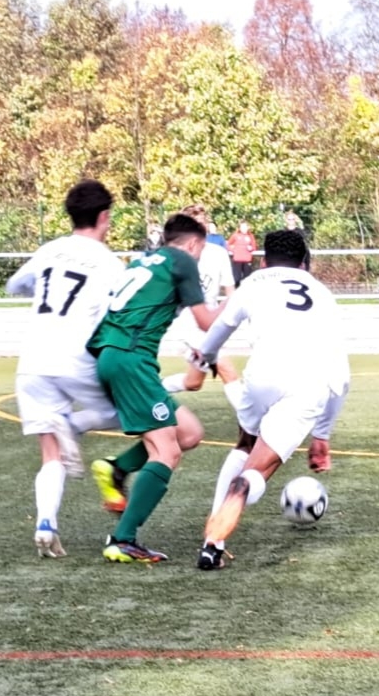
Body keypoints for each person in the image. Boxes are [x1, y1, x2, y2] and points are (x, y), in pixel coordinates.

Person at [193, 229, 350, 570]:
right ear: (304, 264)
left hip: (261, 374)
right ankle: (240, 491)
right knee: (257, 470)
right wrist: (322, 435)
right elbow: (341, 374)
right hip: (306, 383)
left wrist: (205, 357)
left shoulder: (253, 282)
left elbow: (220, 327)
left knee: (245, 443)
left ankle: (212, 544)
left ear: (263, 261)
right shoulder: (322, 293)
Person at [87, 213, 223, 564]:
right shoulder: (182, 260)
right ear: (193, 244)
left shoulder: (145, 260)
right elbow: (207, 321)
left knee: (189, 433)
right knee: (167, 452)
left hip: (113, 354)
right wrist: (242, 301)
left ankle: (117, 468)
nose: (199, 257)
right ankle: (122, 539)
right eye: (201, 250)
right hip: (131, 359)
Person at [6, 179, 125, 558]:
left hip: (32, 360)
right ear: (104, 216)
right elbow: (120, 312)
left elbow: (14, 285)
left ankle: (46, 523)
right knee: (126, 411)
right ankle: (73, 425)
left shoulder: (49, 250)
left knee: (50, 454)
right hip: (75, 357)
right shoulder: (110, 263)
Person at [162, 203, 238, 395]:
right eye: (196, 223)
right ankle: (250, 416)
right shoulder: (177, 256)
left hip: (211, 322)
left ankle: (153, 390)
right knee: (228, 371)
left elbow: (230, 291)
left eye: (203, 222)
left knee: (193, 382)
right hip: (188, 323)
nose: (201, 227)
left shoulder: (218, 253)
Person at [227, 220, 257, 287]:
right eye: (242, 227)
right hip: (237, 260)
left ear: (247, 227)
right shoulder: (235, 235)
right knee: (236, 279)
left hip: (247, 260)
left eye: (245, 227)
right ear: (240, 228)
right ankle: (236, 291)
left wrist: (251, 248)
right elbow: (228, 244)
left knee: (247, 279)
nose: (244, 228)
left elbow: (254, 247)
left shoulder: (250, 236)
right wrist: (233, 249)